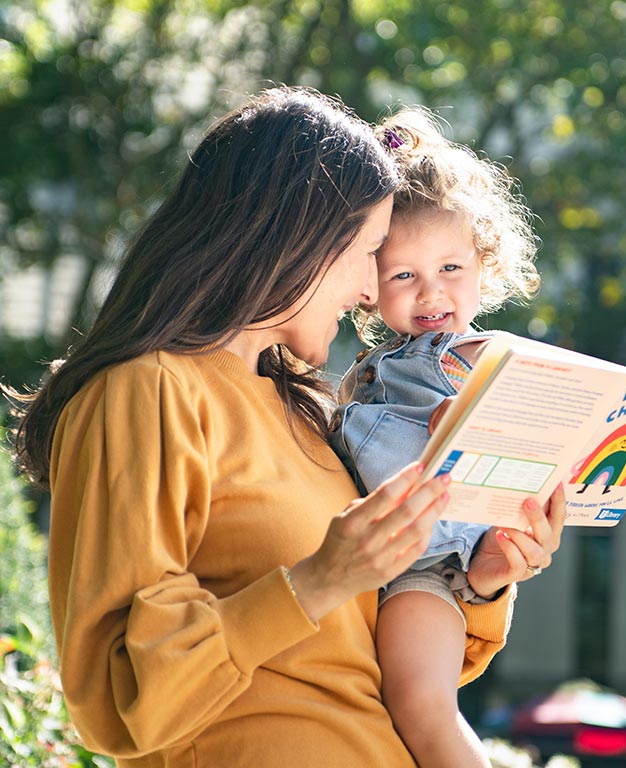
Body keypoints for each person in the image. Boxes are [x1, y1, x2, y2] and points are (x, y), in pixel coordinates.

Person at [3, 86, 565, 768]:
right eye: (369, 254)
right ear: (294, 241)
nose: (369, 292)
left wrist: (480, 579)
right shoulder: (149, 390)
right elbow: (119, 695)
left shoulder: (308, 411)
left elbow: (379, 667)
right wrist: (316, 581)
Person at [329, 107, 553, 768]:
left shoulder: (469, 353)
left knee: (423, 711)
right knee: (399, 713)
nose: (431, 292)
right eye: (404, 275)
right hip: (380, 562)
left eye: (451, 268)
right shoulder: (375, 368)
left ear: (485, 265)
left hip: (423, 573)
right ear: (368, 287)